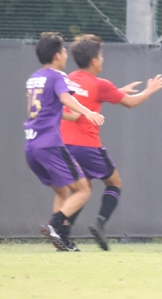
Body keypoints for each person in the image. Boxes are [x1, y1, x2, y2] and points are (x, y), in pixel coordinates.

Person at [60, 34, 162, 251]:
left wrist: (117, 91)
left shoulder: (69, 78)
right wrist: (149, 90)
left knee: (83, 188)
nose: (102, 59)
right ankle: (100, 222)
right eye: (101, 55)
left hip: (64, 144)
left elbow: (85, 95)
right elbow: (130, 103)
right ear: (94, 61)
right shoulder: (101, 84)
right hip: (88, 146)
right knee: (115, 182)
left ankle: (63, 234)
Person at [24, 32, 104, 250]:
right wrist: (87, 112)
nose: (66, 53)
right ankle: (55, 225)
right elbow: (66, 98)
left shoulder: (33, 78)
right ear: (57, 55)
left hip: (31, 146)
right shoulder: (58, 76)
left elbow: (48, 110)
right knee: (84, 189)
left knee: (63, 191)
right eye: (64, 50)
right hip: (49, 144)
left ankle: (62, 240)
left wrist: (70, 115)